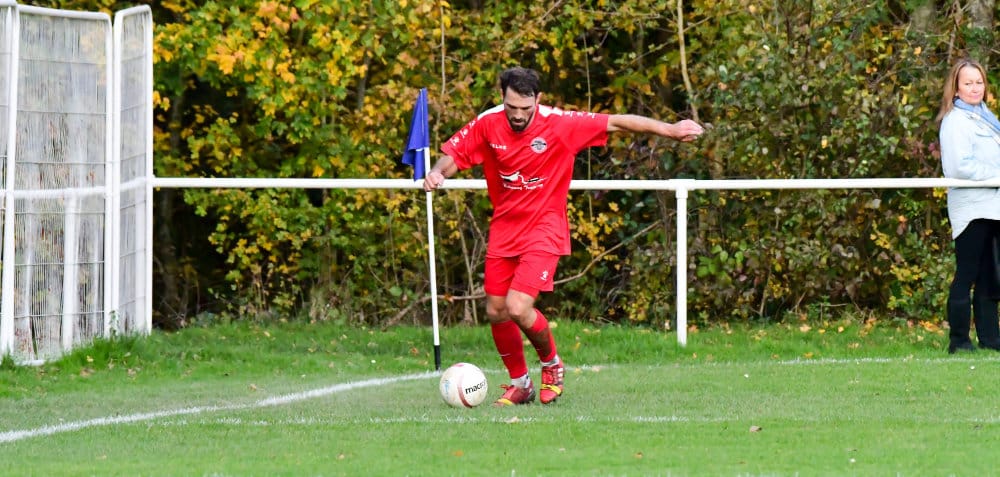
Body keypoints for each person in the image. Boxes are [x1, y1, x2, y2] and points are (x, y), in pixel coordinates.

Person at [423, 66, 704, 405]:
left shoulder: (560, 124)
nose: (518, 115)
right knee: (496, 310)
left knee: (517, 307)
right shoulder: (488, 122)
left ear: (538, 100)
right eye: (511, 107)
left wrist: (670, 130)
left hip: (545, 228)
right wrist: (437, 173)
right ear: (502, 98)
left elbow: (617, 122)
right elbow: (454, 156)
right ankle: (521, 384)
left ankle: (552, 364)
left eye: (525, 109)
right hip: (505, 228)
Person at [937, 58, 1000, 353]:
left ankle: (991, 339)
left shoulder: (987, 118)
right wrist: (996, 175)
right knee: (967, 273)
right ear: (956, 88)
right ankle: (959, 341)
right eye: (968, 83)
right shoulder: (955, 121)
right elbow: (959, 167)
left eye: (979, 82)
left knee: (991, 275)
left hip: (994, 206)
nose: (975, 88)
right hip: (971, 208)